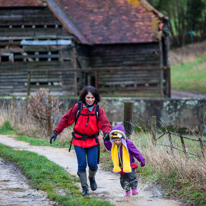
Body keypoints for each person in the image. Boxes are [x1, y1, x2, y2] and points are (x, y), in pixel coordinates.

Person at [50, 86, 111, 196]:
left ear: (95, 98)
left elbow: (105, 124)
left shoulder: (98, 110)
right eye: (88, 97)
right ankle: (84, 187)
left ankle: (91, 178)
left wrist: (107, 133)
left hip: (93, 141)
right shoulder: (77, 108)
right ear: (84, 97)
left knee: (93, 165)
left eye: (92, 98)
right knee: (81, 165)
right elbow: (65, 119)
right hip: (78, 141)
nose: (90, 100)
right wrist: (56, 132)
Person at [103, 124, 145, 197]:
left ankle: (134, 189)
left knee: (132, 177)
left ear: (123, 138)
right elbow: (108, 147)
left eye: (119, 140)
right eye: (115, 140)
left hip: (130, 165)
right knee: (123, 180)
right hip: (121, 167)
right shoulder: (114, 145)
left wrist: (141, 160)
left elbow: (136, 152)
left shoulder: (128, 144)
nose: (117, 142)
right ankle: (127, 191)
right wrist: (106, 140)